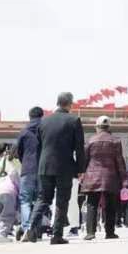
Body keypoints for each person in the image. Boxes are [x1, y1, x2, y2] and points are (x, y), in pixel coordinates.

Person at [28, 92, 84, 244]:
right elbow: (79, 148)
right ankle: (57, 235)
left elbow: (38, 147)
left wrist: (40, 165)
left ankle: (30, 230)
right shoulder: (74, 120)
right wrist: (81, 169)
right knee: (62, 200)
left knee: (43, 198)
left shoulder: (43, 121)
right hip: (64, 166)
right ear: (70, 104)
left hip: (44, 166)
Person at [78, 115, 127, 240]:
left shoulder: (90, 140)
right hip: (110, 177)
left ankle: (90, 232)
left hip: (92, 177)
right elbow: (119, 162)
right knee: (110, 205)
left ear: (97, 127)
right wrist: (124, 179)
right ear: (108, 127)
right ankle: (109, 232)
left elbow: (84, 160)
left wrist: (81, 174)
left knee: (92, 204)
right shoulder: (115, 141)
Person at [14, 106, 44, 237]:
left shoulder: (24, 132)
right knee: (41, 200)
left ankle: (27, 227)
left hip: (27, 169)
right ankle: (35, 229)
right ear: (42, 116)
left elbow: (18, 151)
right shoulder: (45, 130)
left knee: (25, 200)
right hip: (43, 170)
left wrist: (25, 162)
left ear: (29, 116)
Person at [0, 153, 21, 241]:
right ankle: (3, 235)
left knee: (1, 214)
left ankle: (1, 232)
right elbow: (15, 177)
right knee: (8, 214)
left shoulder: (0, 177)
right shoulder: (14, 171)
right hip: (9, 192)